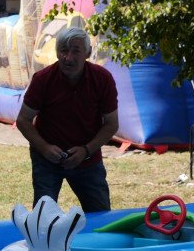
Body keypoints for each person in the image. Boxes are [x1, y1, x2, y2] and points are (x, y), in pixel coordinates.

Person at [16, 26, 118, 212]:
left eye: (76, 51)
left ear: (88, 53)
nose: (68, 57)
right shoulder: (42, 79)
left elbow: (111, 124)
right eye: (63, 51)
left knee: (100, 213)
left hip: (87, 158)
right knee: (42, 218)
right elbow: (23, 120)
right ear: (56, 53)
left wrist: (86, 151)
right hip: (47, 159)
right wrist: (44, 148)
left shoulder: (102, 79)